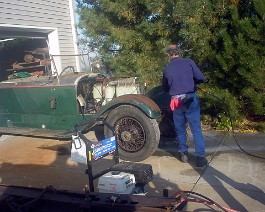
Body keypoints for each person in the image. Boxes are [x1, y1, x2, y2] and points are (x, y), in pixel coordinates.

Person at [162, 44, 207, 167]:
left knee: (180, 129)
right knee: (196, 129)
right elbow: (201, 78)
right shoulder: (189, 62)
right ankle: (200, 158)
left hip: (176, 102)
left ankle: (184, 155)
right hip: (190, 99)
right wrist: (192, 81)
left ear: (168, 55)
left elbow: (165, 88)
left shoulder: (167, 69)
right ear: (179, 52)